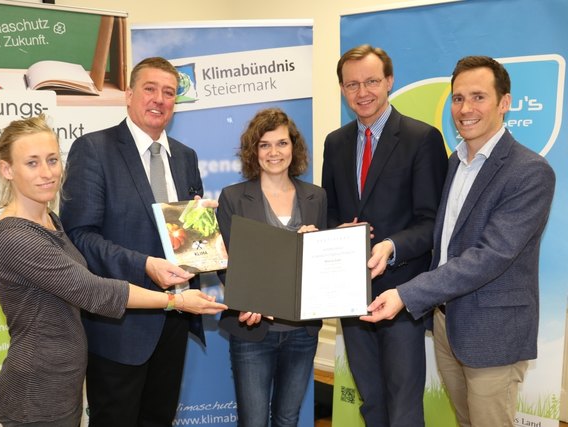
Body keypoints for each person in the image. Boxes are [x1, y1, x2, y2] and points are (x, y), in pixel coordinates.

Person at [0, 115, 227, 427]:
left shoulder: (50, 221)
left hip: (63, 386)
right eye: (32, 163)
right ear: (7, 170)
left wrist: (195, 225)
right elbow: (94, 291)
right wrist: (175, 302)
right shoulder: (14, 236)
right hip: (36, 391)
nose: (47, 173)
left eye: (52, 160)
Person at [361, 55, 556, 427]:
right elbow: (444, 240)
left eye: (478, 97)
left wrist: (406, 294)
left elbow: (490, 256)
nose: (465, 109)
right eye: (458, 98)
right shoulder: (456, 162)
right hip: (448, 326)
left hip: (492, 334)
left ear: (505, 103)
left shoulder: (529, 172)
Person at [59, 57, 210, 426]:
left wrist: (206, 232)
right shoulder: (94, 149)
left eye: (169, 92)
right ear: (129, 95)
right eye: (150, 89)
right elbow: (80, 236)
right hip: (119, 326)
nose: (159, 99)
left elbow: (189, 241)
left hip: (174, 320)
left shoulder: (186, 158)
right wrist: (144, 265)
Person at [321, 44, 448, 426]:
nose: (363, 92)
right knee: (371, 403)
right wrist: (332, 234)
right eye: (352, 84)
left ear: (389, 81)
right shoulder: (335, 142)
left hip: (401, 293)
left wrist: (391, 246)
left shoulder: (421, 138)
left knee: (404, 407)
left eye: (372, 81)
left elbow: (432, 224)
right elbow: (330, 214)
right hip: (351, 294)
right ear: (343, 89)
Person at [216, 108, 327, 427]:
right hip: (253, 329)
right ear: (254, 151)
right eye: (265, 145)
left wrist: (321, 243)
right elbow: (226, 264)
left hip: (302, 332)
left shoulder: (315, 198)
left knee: (288, 418)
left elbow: (322, 265)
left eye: (281, 143)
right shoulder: (234, 198)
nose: (274, 152)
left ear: (294, 147)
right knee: (252, 422)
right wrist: (244, 300)